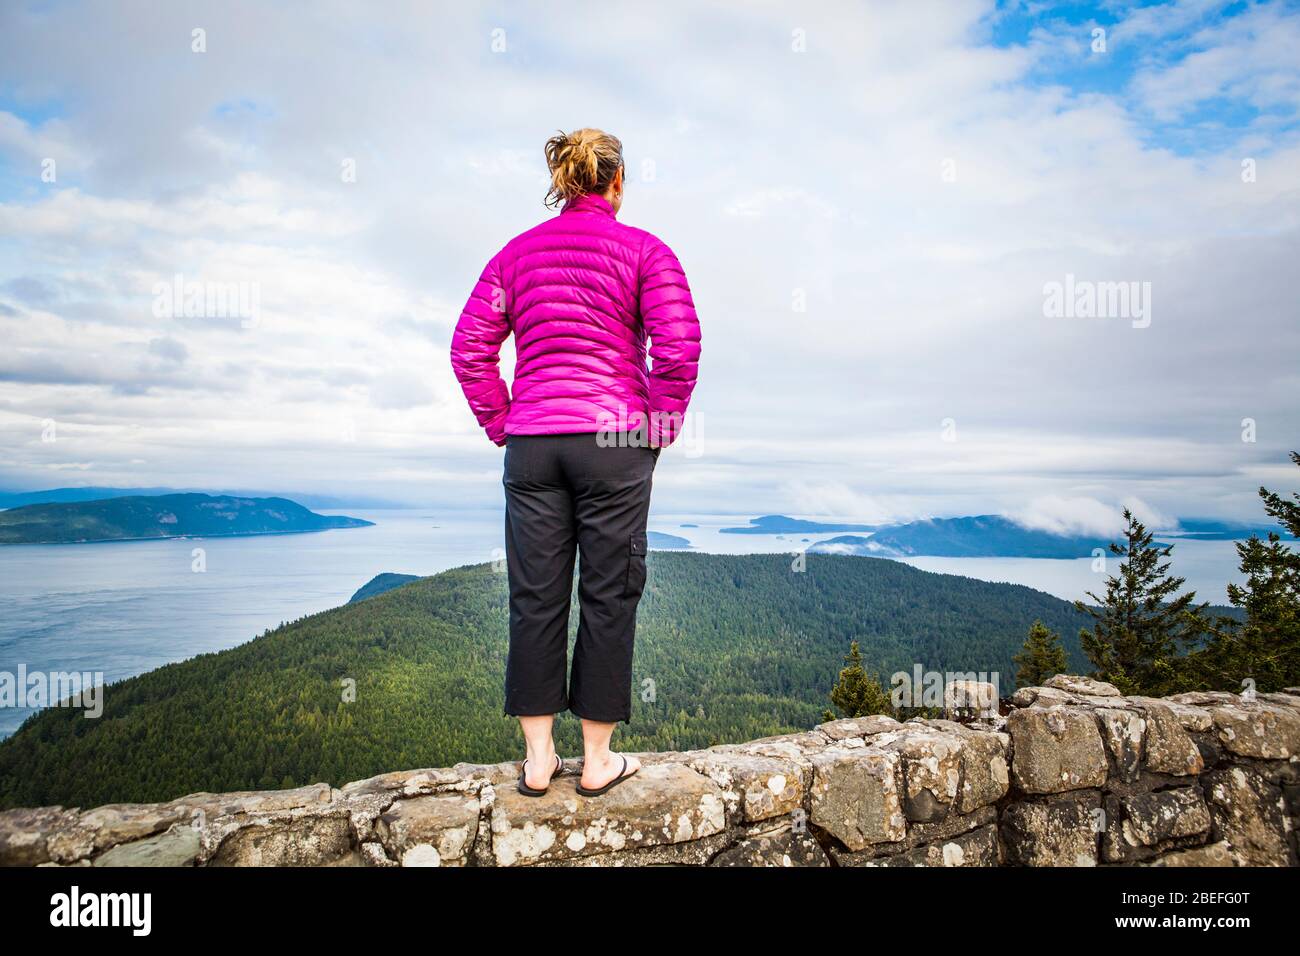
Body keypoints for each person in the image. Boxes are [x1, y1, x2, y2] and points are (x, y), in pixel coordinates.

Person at [450, 128, 701, 796]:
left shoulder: (516, 256)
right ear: (616, 182)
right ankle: (596, 762)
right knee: (609, 593)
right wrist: (660, 425)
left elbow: (469, 345)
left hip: (533, 444)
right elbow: (675, 349)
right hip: (614, 443)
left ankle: (537, 763)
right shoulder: (646, 251)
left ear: (563, 183)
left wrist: (502, 419)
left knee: (535, 596)